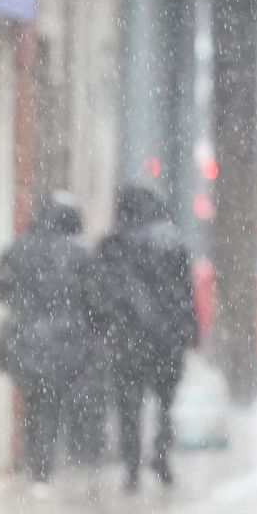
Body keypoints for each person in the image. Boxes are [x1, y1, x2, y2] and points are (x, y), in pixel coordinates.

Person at [0, 192, 99, 494]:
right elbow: (95, 300)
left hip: (25, 339)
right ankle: (42, 467)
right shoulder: (80, 254)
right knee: (52, 402)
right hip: (65, 341)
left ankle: (35, 462)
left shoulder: (21, 249)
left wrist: (24, 302)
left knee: (34, 400)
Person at [97, 184, 198, 492]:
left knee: (129, 404)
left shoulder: (113, 244)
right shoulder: (172, 241)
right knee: (165, 401)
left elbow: (101, 291)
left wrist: (101, 327)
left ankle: (131, 468)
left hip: (127, 338)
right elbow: (186, 292)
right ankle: (162, 453)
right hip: (167, 336)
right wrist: (190, 331)